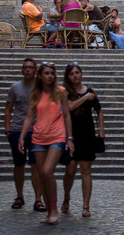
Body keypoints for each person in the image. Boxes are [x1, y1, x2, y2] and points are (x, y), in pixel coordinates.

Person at [19, 62, 74, 225]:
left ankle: (54, 208)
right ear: (40, 76)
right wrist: (22, 137)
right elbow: (29, 116)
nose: (50, 76)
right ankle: (49, 212)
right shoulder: (35, 93)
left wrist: (70, 138)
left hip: (57, 136)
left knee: (47, 171)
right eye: (47, 73)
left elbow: (66, 116)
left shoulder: (61, 92)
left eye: (52, 73)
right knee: (42, 175)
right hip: (38, 137)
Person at [61, 63, 105, 218]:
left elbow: (99, 110)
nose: (75, 76)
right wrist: (86, 97)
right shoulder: (65, 92)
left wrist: (101, 130)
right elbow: (70, 107)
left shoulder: (91, 91)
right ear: (68, 76)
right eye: (72, 73)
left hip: (87, 134)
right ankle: (66, 197)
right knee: (70, 170)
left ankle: (86, 205)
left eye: (77, 72)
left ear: (81, 74)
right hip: (71, 135)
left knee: (86, 170)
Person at [5, 58, 44, 211]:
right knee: (19, 165)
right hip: (16, 130)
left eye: (30, 67)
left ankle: (38, 199)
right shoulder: (15, 88)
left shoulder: (41, 88)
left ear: (35, 71)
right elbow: (8, 109)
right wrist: (8, 129)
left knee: (35, 165)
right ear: (22, 70)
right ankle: (19, 196)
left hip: (35, 131)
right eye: (25, 67)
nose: (27, 70)